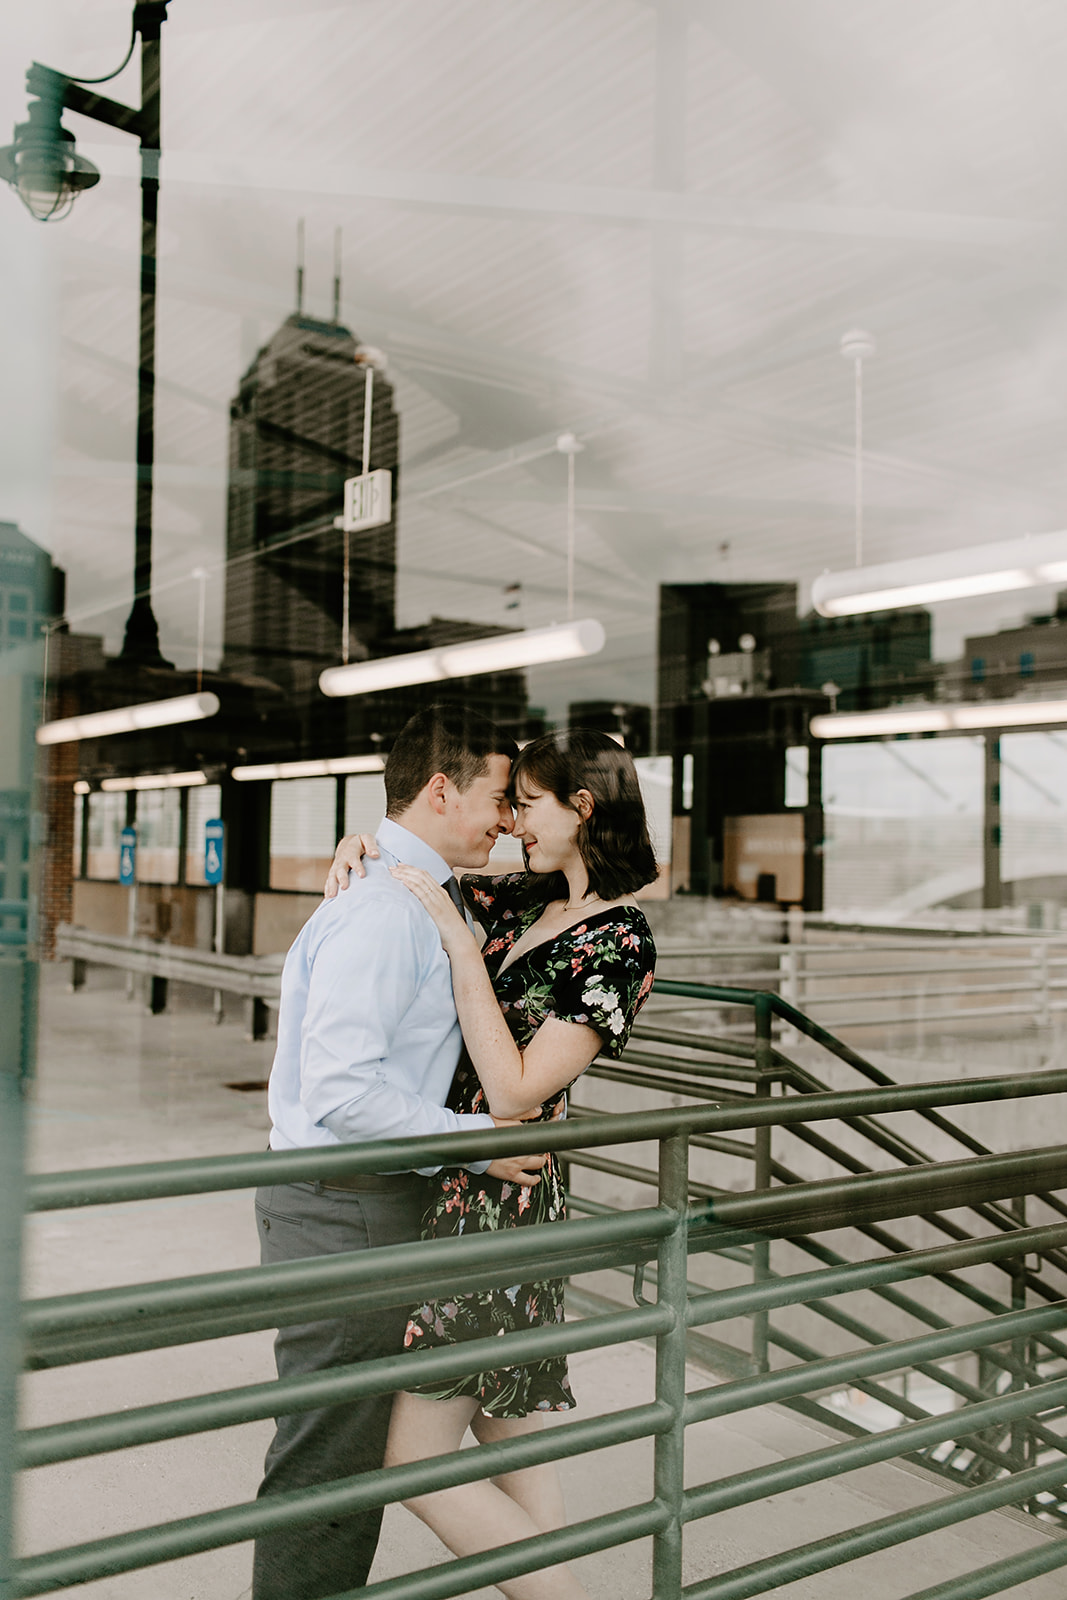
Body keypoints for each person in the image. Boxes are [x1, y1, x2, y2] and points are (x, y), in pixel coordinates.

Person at [326, 728, 658, 1600]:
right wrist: (357, 842)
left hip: (501, 1196)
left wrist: (459, 945)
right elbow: (419, 860)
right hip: (464, 1174)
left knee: (411, 1459)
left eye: (530, 804)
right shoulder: (520, 902)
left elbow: (514, 1091)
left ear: (582, 808)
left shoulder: (617, 944)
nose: (512, 823)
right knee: (518, 1447)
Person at [252, 703, 549, 1600]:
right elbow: (341, 1094)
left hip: (365, 1198)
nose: (506, 820)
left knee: (344, 1446)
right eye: (500, 797)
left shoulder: (419, 888)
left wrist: (364, 840)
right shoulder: (386, 909)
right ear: (440, 789)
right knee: (329, 1455)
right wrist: (477, 1144)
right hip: (346, 1203)